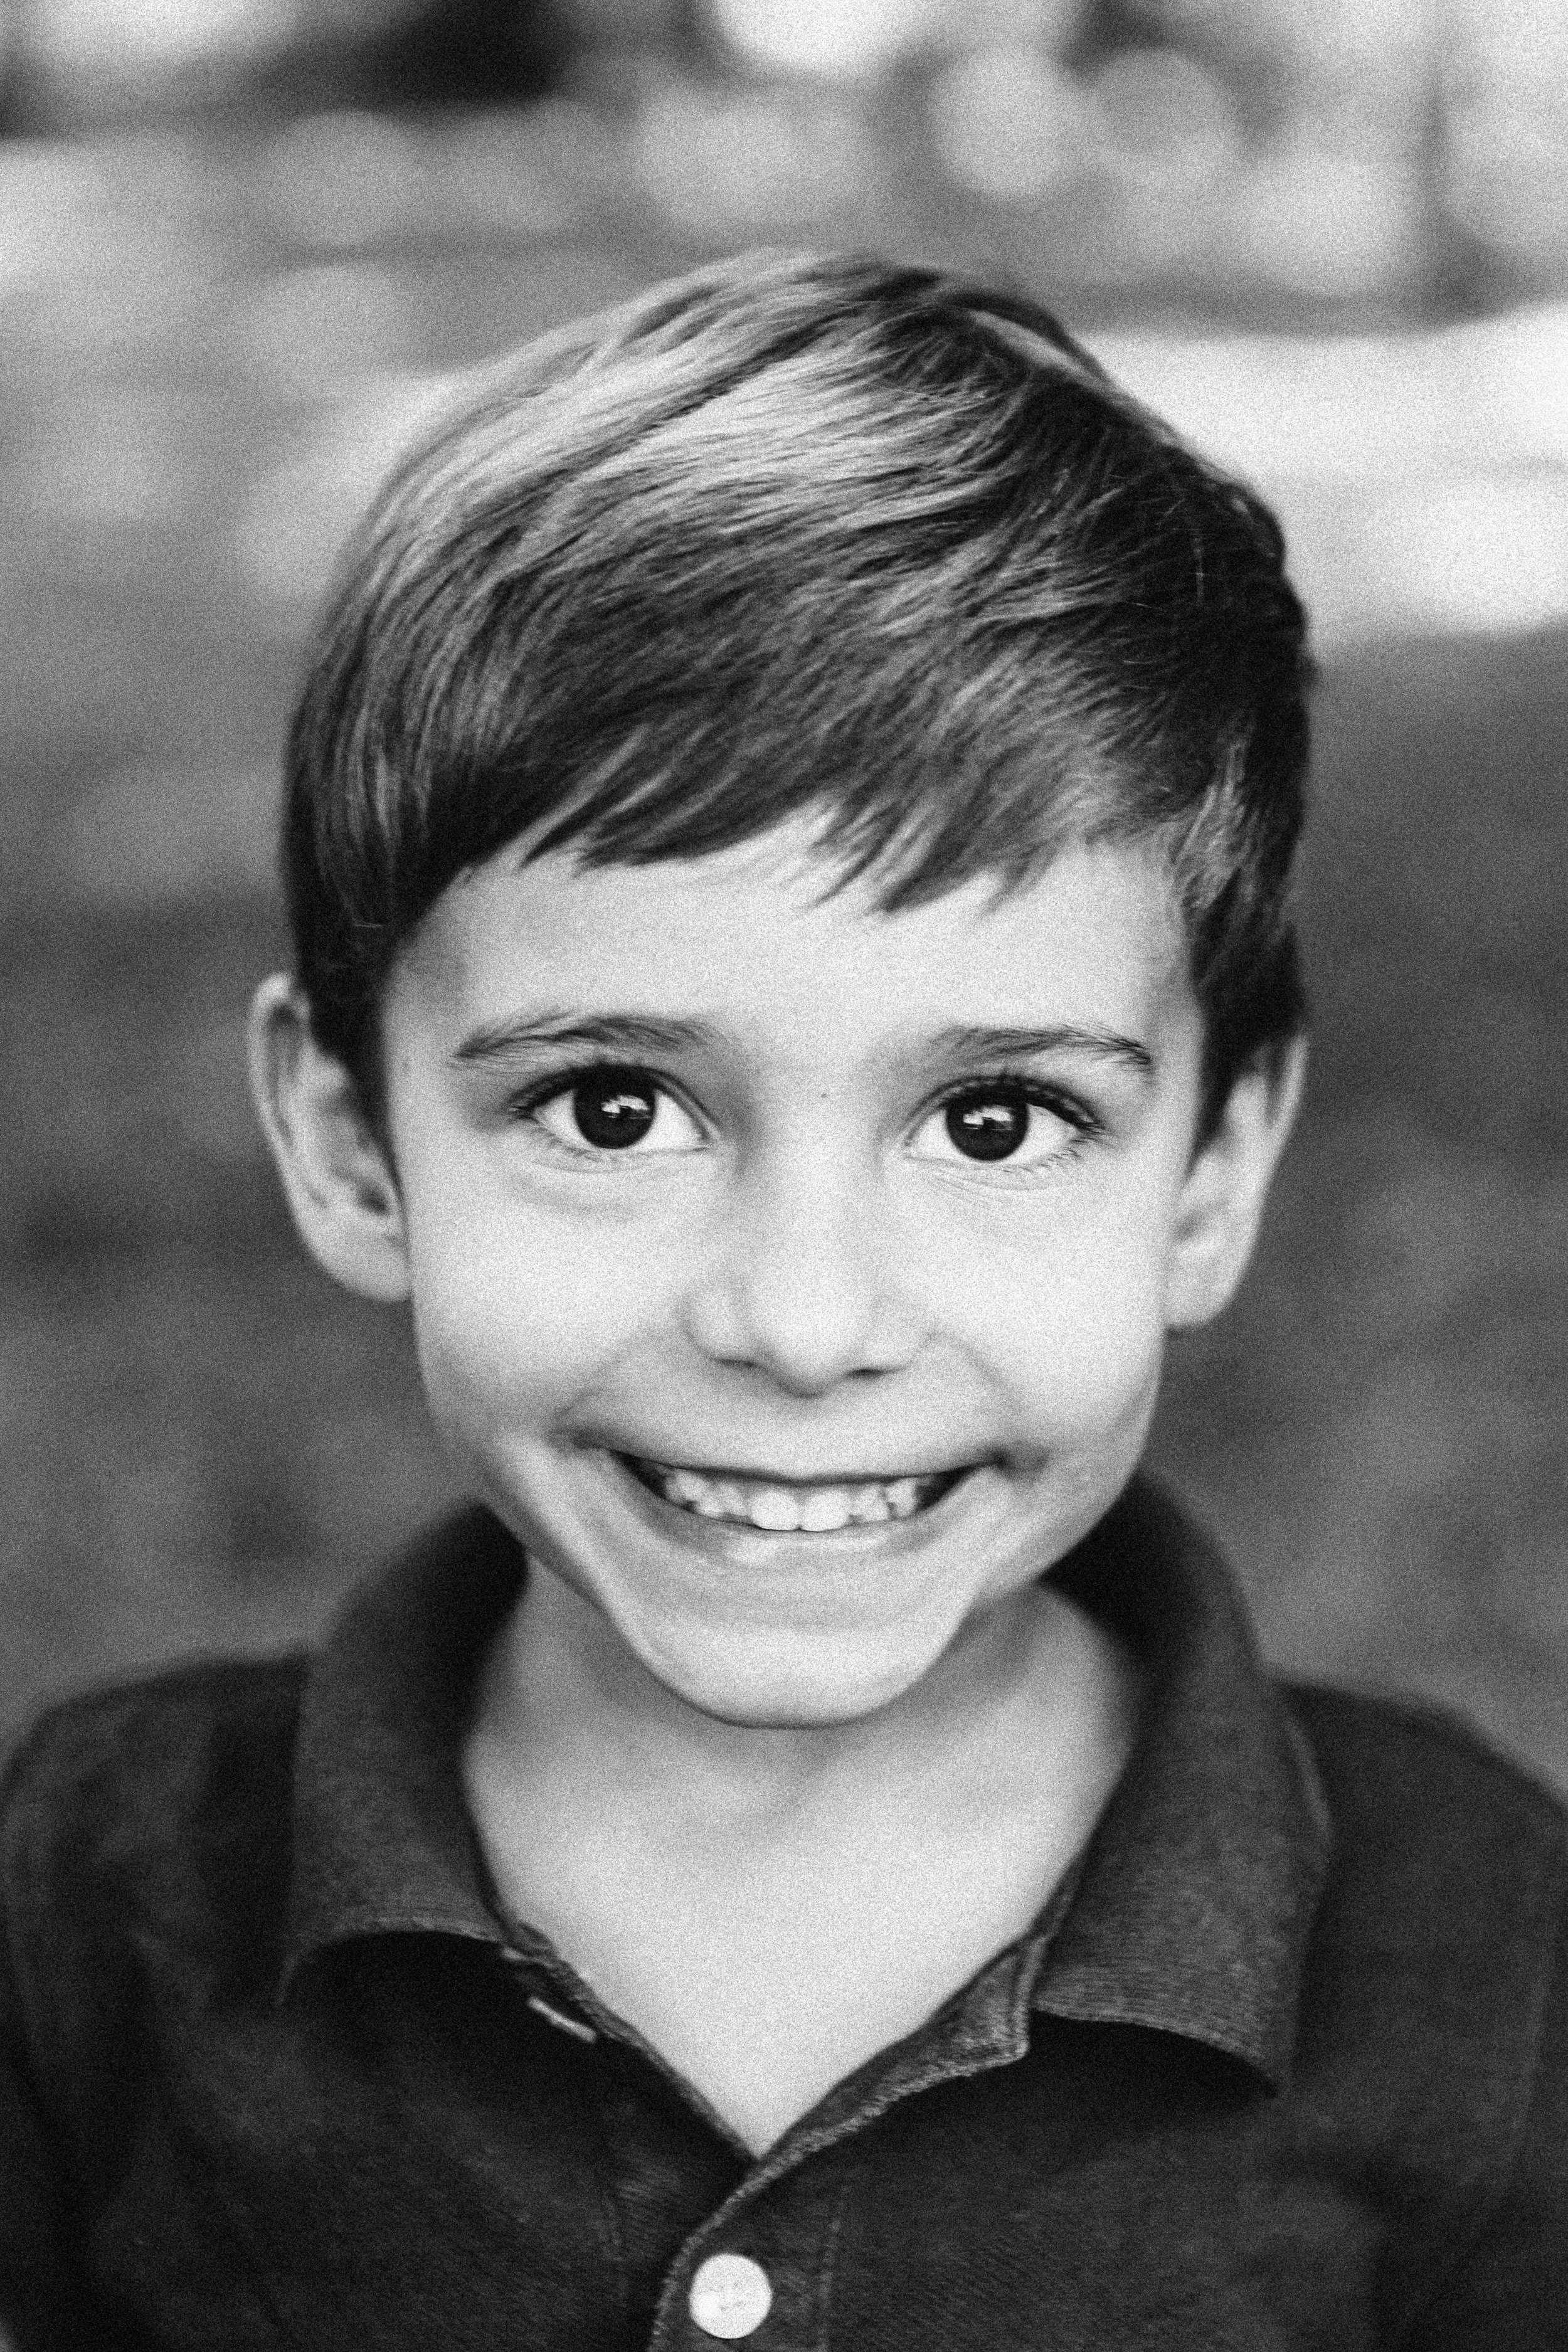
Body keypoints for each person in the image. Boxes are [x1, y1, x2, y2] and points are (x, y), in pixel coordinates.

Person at [1, 252, 1562, 2351]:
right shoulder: (91, 1917)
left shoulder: (1478, 1958)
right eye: (617, 1105)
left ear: (1211, 1169)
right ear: (350, 1139)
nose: (806, 1319)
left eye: (997, 1122)